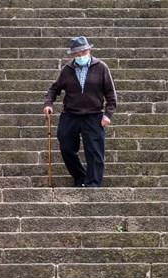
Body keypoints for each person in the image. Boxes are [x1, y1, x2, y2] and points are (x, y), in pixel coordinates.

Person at [43, 36, 117, 187]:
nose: (80, 57)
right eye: (76, 55)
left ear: (89, 50)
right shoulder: (67, 69)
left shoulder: (101, 67)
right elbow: (54, 89)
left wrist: (107, 115)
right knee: (66, 147)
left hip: (94, 115)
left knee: (95, 151)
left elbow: (111, 95)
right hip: (70, 115)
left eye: (82, 53)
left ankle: (93, 184)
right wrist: (48, 104)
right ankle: (80, 177)